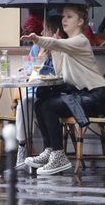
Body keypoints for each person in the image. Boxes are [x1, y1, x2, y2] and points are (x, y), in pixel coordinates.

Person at [20, 5, 105, 175]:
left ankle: (59, 155)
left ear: (80, 21)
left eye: (69, 16)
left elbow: (56, 43)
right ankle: (50, 150)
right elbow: (61, 74)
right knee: (40, 103)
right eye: (63, 17)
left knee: (49, 106)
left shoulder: (81, 41)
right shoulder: (66, 46)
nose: (64, 20)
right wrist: (52, 51)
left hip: (97, 96)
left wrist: (38, 39)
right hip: (82, 95)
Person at [15, 14, 67, 168]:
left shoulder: (62, 46)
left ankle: (50, 151)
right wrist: (39, 58)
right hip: (36, 90)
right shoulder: (37, 47)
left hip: (55, 91)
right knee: (24, 103)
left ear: (54, 32)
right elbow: (29, 74)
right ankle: (22, 146)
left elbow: (63, 75)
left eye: (46, 29)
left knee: (43, 105)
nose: (42, 32)